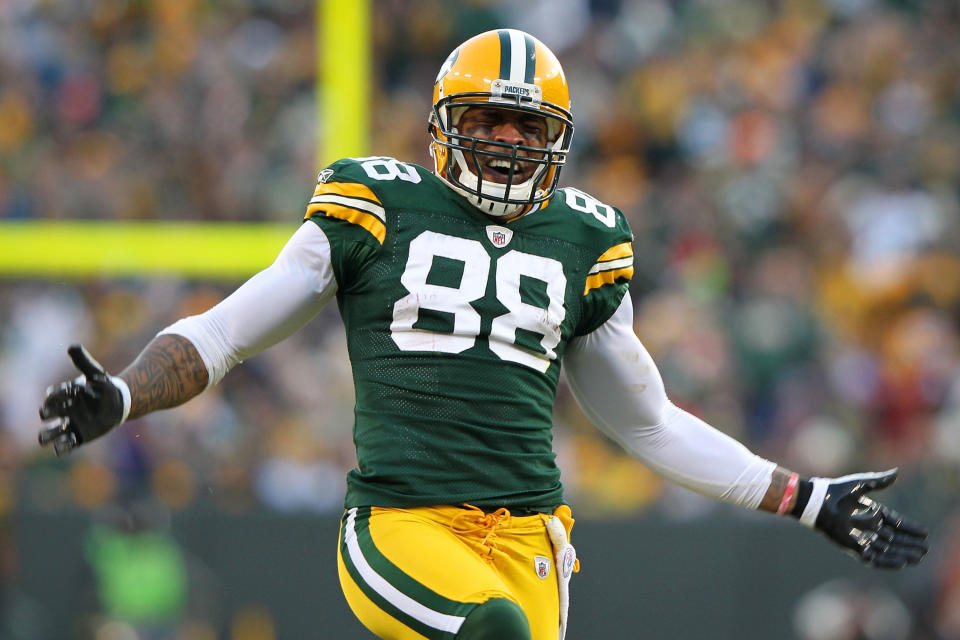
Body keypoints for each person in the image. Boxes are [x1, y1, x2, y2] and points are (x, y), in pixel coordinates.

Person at [38, 29, 929, 640]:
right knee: (490, 632)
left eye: (526, 125)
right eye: (486, 121)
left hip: (534, 541)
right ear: (443, 127)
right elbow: (226, 332)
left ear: (558, 138)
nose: (506, 141)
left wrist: (805, 499)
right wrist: (124, 391)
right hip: (400, 522)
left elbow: (647, 421)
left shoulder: (586, 238)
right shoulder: (375, 202)